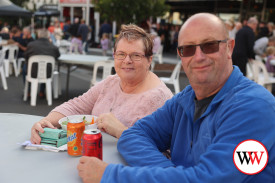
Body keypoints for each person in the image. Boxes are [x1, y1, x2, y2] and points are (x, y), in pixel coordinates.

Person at [77, 13, 275, 183]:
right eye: (188, 49)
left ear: (230, 48)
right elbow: (133, 136)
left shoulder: (255, 108)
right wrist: (176, 176)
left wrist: (110, 175)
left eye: (209, 45)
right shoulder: (185, 99)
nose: (198, 57)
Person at [30, 24, 173, 144]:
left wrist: (120, 131)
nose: (127, 60)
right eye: (121, 54)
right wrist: (46, 122)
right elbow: (76, 106)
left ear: (149, 60)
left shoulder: (160, 99)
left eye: (136, 55)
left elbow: (162, 153)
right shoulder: (111, 81)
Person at [24, 29, 60, 97]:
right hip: (47, 73)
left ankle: (28, 91)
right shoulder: (53, 47)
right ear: (48, 36)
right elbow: (57, 56)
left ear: (38, 35)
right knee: (46, 67)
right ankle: (41, 91)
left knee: (26, 67)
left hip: (32, 72)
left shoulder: (31, 45)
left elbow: (26, 56)